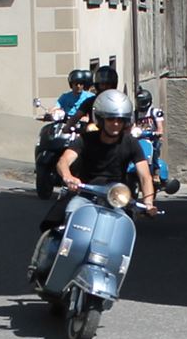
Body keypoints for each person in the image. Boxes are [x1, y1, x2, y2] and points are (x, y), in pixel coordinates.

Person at [42, 88, 156, 235]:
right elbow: (64, 161)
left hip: (116, 197)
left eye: (120, 119)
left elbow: (145, 176)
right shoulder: (85, 139)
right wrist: (68, 176)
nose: (116, 123)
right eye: (110, 119)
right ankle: (61, 247)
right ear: (101, 119)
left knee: (124, 226)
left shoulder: (131, 143)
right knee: (70, 212)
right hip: (85, 193)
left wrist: (148, 203)